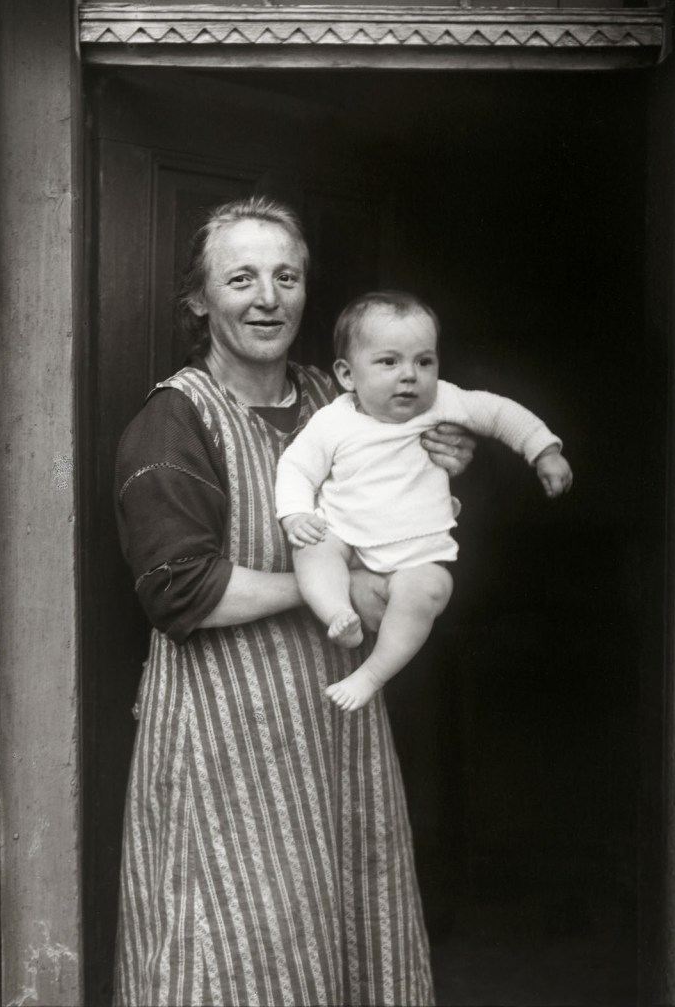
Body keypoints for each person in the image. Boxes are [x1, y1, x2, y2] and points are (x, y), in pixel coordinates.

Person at [112, 196, 474, 1007]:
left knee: (340, 929)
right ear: (200, 300)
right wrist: (338, 590)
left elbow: (412, 507)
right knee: (227, 944)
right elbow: (180, 591)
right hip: (220, 736)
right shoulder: (174, 421)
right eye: (240, 278)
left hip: (330, 732)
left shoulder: (342, 400)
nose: (266, 297)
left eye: (285, 276)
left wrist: (446, 464)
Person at [276, 291, 573, 713]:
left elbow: (498, 412)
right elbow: (296, 467)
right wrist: (295, 513)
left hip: (416, 551)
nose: (410, 375)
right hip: (346, 535)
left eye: (424, 361)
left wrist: (543, 450)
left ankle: (371, 674)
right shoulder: (333, 421)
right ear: (346, 374)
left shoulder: (444, 402)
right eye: (388, 362)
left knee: (429, 589)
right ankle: (337, 613)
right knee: (312, 547)